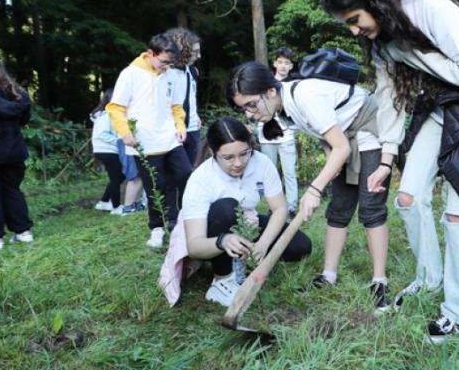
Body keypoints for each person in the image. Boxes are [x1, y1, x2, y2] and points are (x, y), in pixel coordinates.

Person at [321, 0, 459, 343]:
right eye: (349, 25)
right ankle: (428, 279)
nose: (356, 30)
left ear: (373, 0)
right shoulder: (381, 42)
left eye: (356, 19)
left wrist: (407, 52)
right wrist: (388, 159)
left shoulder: (429, 7)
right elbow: (389, 97)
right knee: (407, 199)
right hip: (437, 108)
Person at [227, 60, 394, 313]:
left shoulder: (305, 97)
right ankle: (328, 276)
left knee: (371, 206)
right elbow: (324, 133)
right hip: (343, 136)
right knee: (338, 208)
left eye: (251, 104)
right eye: (244, 108)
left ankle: (379, 281)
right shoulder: (283, 109)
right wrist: (330, 160)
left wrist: (314, 190)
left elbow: (342, 146)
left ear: (271, 91)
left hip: (369, 125)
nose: (249, 113)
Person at [177, 118, 311, 306]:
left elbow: (279, 208)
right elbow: (194, 246)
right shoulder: (200, 180)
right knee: (226, 207)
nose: (238, 163)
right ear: (213, 153)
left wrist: (263, 243)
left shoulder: (261, 163)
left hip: (248, 221)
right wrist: (223, 241)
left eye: (244, 153)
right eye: (229, 158)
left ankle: (245, 257)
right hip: (214, 231)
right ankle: (222, 280)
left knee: (301, 246)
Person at [107, 33, 193, 248]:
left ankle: (179, 220)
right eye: (163, 61)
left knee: (184, 174)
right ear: (151, 54)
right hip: (143, 141)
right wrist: (125, 131)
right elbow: (116, 107)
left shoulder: (169, 73)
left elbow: (176, 106)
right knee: (156, 185)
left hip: (170, 138)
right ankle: (157, 227)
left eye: (170, 62)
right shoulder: (130, 74)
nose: (166, 66)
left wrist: (180, 126)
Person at [0, 50, 33, 250]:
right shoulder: (15, 91)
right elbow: (23, 120)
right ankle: (23, 233)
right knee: (12, 190)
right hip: (14, 150)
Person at [256, 47, 299, 215]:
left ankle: (291, 206)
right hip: (266, 135)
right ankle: (274, 206)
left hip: (287, 134)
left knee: (289, 172)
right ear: (274, 63)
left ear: (291, 66)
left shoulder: (293, 84)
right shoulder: (265, 84)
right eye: (280, 62)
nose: (282, 66)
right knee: (270, 172)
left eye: (286, 63)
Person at [91, 90, 144, 214]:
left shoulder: (107, 114)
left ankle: (104, 202)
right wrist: (120, 141)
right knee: (116, 178)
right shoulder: (106, 115)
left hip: (107, 150)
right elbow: (102, 134)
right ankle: (116, 207)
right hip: (107, 150)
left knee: (119, 176)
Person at [164, 28, 204, 168]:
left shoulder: (192, 71)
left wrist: (196, 115)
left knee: (195, 168)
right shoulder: (165, 73)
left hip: (192, 128)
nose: (198, 56)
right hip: (172, 130)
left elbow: (190, 97)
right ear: (182, 51)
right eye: (195, 52)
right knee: (176, 172)